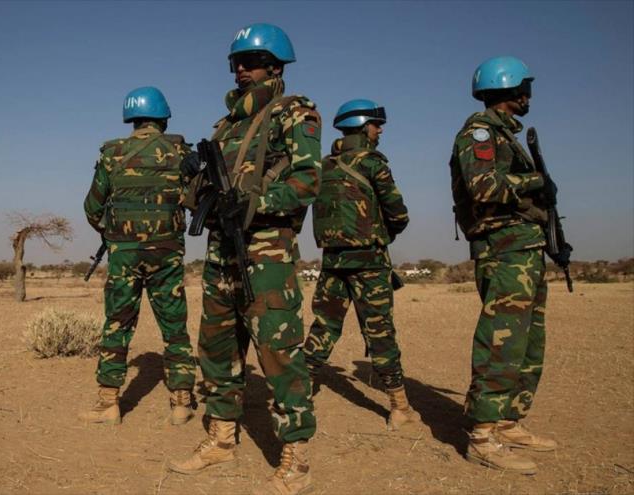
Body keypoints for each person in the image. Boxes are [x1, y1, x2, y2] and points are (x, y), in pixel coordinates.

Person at [167, 23, 321, 495]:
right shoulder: (226, 126)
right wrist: (193, 180)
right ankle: (221, 438)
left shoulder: (295, 112)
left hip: (266, 252)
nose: (241, 70)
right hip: (221, 252)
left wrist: (256, 203)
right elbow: (199, 196)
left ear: (275, 67)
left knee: (278, 350)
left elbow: (307, 181)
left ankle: (296, 457)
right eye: (237, 62)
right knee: (216, 348)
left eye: (251, 62)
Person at [450, 56, 559, 474]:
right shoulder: (478, 133)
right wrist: (536, 182)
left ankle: (508, 421)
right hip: (502, 247)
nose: (529, 96)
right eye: (524, 88)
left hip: (524, 246)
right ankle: (482, 435)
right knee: (502, 340)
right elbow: (484, 187)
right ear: (510, 89)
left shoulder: (505, 137)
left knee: (528, 340)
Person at [80, 86, 197, 427]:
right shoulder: (181, 152)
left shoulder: (111, 154)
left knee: (117, 323)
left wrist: (115, 235)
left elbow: (92, 208)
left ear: (130, 118)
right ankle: (181, 402)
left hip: (124, 255)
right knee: (174, 325)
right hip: (167, 253)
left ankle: (108, 403)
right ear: (163, 118)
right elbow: (196, 199)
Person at [303, 99, 420, 431]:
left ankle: (300, 392)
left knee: (324, 326)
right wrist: (382, 234)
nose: (379, 130)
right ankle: (399, 407)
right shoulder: (373, 163)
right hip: (370, 261)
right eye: (376, 124)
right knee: (380, 331)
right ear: (362, 126)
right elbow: (399, 214)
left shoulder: (323, 166)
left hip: (333, 260)